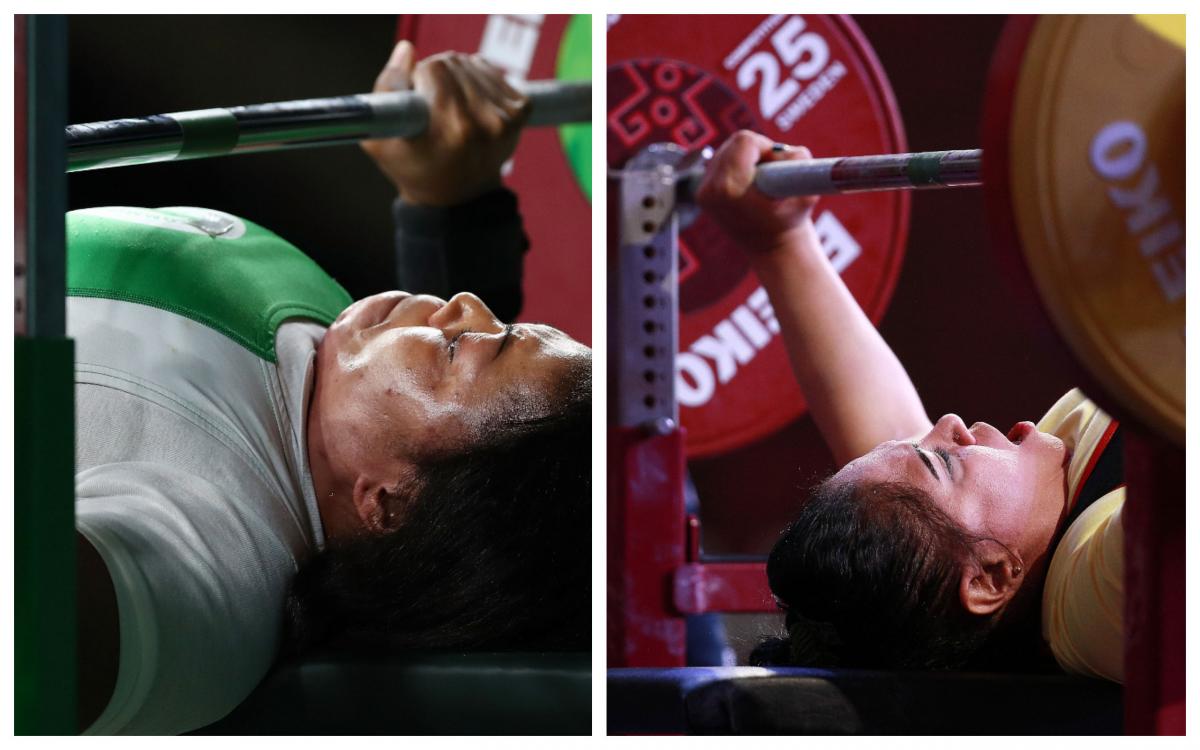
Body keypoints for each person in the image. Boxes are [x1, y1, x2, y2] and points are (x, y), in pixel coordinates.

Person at [74, 44, 591, 735]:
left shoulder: (212, 575)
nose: (463, 302)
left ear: (387, 504)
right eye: (506, 322)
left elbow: (36, 649)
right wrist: (452, 198)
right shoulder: (334, 368)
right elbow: (497, 439)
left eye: (463, 342)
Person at [695, 131, 1123, 683]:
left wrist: (780, 242)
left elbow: (897, 443)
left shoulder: (1020, 524)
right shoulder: (1100, 600)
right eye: (941, 461)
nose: (949, 425)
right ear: (989, 579)